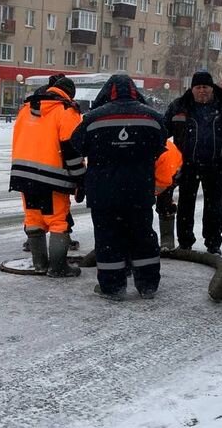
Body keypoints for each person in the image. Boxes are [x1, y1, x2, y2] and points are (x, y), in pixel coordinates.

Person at [70, 74, 167, 300]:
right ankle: (147, 284)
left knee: (108, 239)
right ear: (135, 91)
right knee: (143, 236)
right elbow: (161, 145)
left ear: (106, 92)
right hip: (139, 191)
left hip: (104, 193)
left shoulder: (92, 119)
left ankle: (113, 287)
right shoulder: (152, 117)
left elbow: (76, 145)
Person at [164, 70, 222, 255]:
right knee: (186, 204)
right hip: (188, 165)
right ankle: (185, 242)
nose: (202, 91)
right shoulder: (179, 107)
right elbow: (162, 132)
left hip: (215, 165)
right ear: (192, 89)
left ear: (212, 88)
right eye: (198, 87)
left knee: (215, 206)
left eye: (206, 87)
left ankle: (213, 243)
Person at [9, 73, 85, 277]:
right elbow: (72, 150)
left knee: (33, 218)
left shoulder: (26, 109)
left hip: (23, 175)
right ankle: (58, 267)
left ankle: (40, 263)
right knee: (58, 221)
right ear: (69, 94)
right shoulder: (66, 111)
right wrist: (80, 178)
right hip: (53, 178)